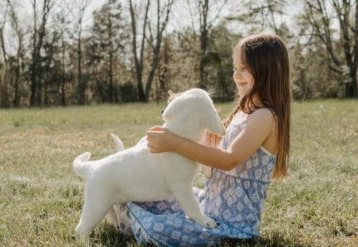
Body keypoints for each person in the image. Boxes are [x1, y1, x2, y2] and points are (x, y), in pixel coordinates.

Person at [115, 33, 291, 247]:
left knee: (156, 229)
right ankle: (126, 207)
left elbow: (228, 160)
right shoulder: (243, 113)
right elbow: (210, 154)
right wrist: (189, 108)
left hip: (232, 228)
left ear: (269, 69)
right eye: (234, 68)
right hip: (208, 207)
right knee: (144, 195)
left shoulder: (265, 116)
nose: (236, 75)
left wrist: (174, 143)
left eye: (244, 68)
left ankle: (129, 216)